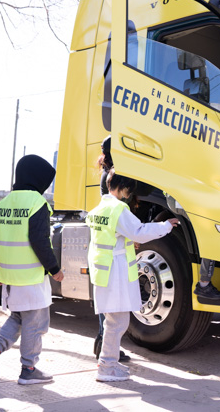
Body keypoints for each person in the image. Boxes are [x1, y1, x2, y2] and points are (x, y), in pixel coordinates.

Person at [0, 155, 64, 386]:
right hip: (31, 276)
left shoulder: (6, 202)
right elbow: (40, 240)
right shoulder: (37, 203)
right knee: (36, 323)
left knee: (18, 318)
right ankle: (29, 369)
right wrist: (54, 269)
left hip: (11, 277)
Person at [86, 169, 179, 382]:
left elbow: (115, 236)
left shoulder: (99, 209)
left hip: (104, 272)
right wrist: (166, 226)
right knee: (117, 322)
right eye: (129, 189)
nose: (129, 194)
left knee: (112, 321)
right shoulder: (118, 209)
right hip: (115, 273)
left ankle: (108, 362)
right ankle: (106, 366)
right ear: (123, 187)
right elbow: (139, 231)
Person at [93, 136, 131, 363]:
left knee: (105, 304)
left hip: (104, 247)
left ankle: (103, 346)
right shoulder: (111, 176)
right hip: (110, 248)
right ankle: (105, 350)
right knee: (108, 306)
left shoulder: (106, 172)